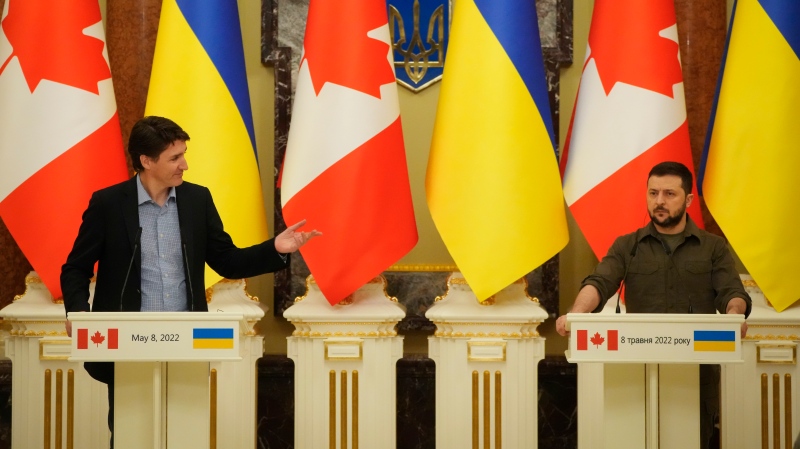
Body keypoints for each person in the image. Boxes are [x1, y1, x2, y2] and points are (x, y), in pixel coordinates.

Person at [60, 116, 321, 447]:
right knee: (130, 434)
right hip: (127, 342)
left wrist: (275, 249)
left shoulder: (197, 200)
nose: (185, 164)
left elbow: (227, 260)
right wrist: (78, 312)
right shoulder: (108, 204)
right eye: (175, 157)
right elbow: (75, 268)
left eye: (183, 154)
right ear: (146, 161)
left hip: (186, 341)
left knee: (186, 435)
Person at [555, 161, 750, 449]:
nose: (659, 201)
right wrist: (576, 314)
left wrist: (734, 317)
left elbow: (732, 293)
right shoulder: (627, 246)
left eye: (669, 194)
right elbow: (599, 282)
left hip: (696, 377)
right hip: (636, 372)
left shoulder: (713, 247)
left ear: (688, 199)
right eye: (653, 193)